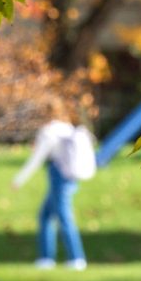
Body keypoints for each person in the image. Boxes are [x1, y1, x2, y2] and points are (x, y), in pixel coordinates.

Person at [13, 115, 97, 270]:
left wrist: (18, 180)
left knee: (64, 218)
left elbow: (36, 159)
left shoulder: (49, 133)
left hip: (60, 179)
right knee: (45, 216)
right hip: (71, 178)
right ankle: (46, 258)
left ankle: (76, 258)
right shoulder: (66, 128)